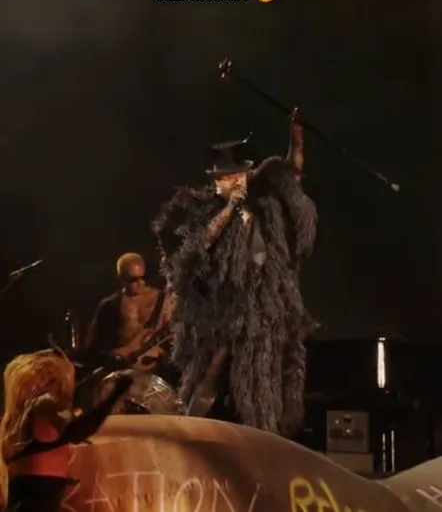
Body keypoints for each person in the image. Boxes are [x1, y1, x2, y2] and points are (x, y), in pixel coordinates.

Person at [153, 110, 318, 437]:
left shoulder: (263, 208)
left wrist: (297, 137)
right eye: (230, 178)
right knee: (208, 385)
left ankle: (262, 443)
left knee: (261, 394)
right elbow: (192, 250)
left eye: (241, 175)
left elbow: (293, 173)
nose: (238, 182)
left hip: (261, 317)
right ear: (217, 181)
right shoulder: (198, 210)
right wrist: (229, 209)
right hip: (219, 319)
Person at [0, 348, 132, 512]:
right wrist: (115, 394)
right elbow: (79, 431)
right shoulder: (42, 407)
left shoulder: (18, 418)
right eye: (58, 382)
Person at [85, 252, 175, 408]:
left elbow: (176, 339)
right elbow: (94, 349)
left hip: (156, 380)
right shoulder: (109, 306)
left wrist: (162, 354)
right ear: (121, 279)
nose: (141, 283)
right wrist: (121, 355)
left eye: (143, 277)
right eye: (134, 279)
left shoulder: (163, 300)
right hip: (121, 378)